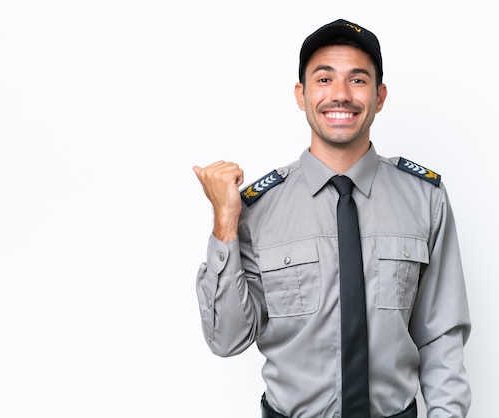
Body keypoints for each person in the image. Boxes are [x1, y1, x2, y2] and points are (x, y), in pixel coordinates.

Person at [192, 18, 471, 418]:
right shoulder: (256, 208)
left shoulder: (425, 199)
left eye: (358, 80)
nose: (340, 95)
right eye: (324, 80)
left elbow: (440, 335)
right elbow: (226, 339)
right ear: (301, 95)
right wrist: (224, 220)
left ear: (380, 96)